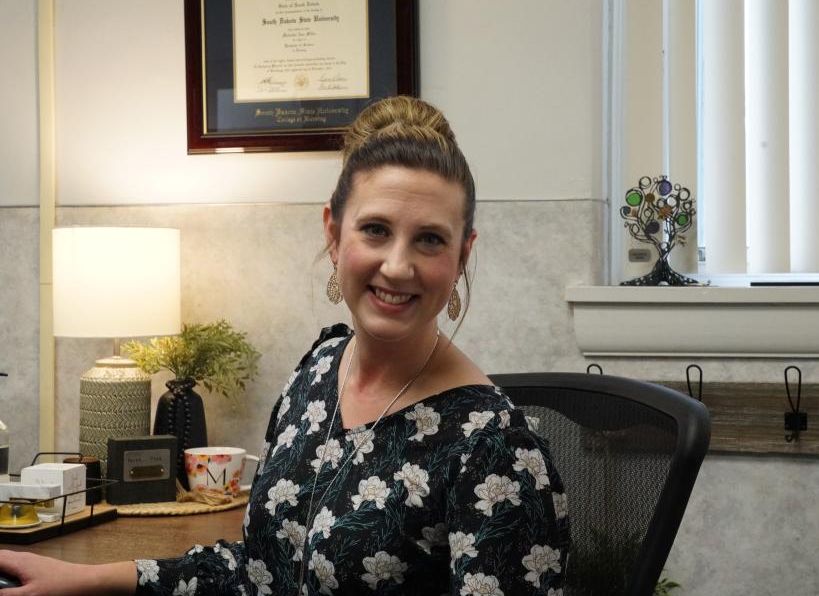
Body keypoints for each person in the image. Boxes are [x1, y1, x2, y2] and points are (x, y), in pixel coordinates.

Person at [0, 96, 569, 595]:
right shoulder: (320, 370)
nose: (397, 266)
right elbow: (260, 571)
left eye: (429, 240)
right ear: (333, 232)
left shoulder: (496, 450)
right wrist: (86, 579)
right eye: (375, 230)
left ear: (463, 256)